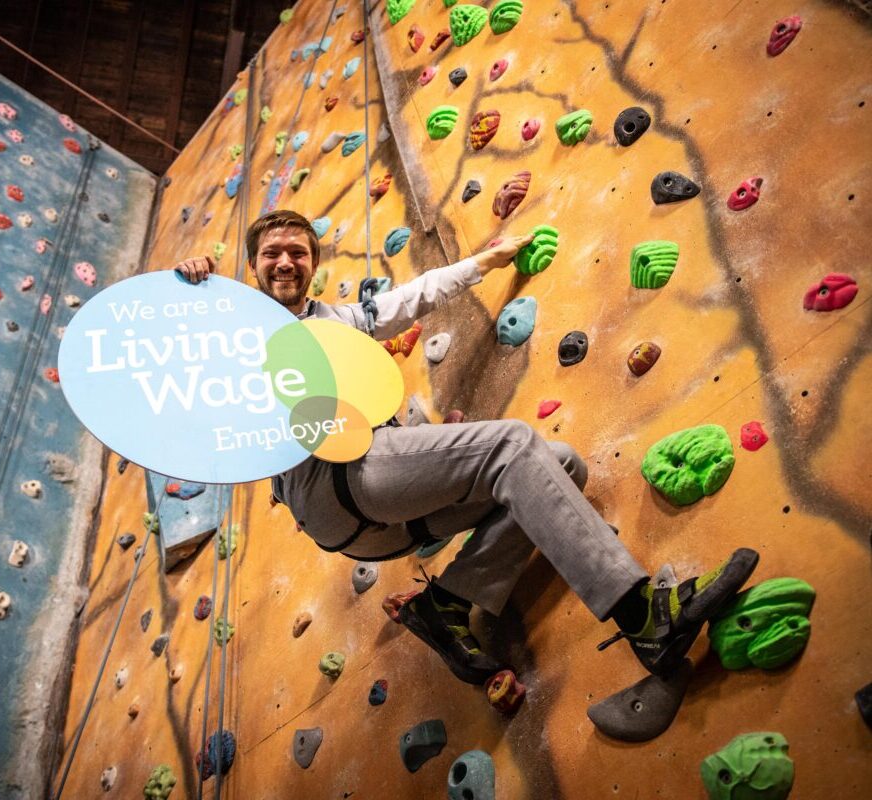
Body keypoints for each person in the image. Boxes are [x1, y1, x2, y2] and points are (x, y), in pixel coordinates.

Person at [175, 209, 759, 693]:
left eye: (298, 252)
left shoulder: (339, 320)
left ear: (313, 264)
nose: (285, 261)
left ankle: (446, 604)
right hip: (334, 483)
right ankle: (643, 616)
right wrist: (191, 293)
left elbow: (411, 298)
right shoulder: (232, 330)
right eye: (272, 252)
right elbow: (183, 377)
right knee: (510, 443)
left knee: (559, 466)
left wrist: (485, 261)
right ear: (252, 267)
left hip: (385, 512)